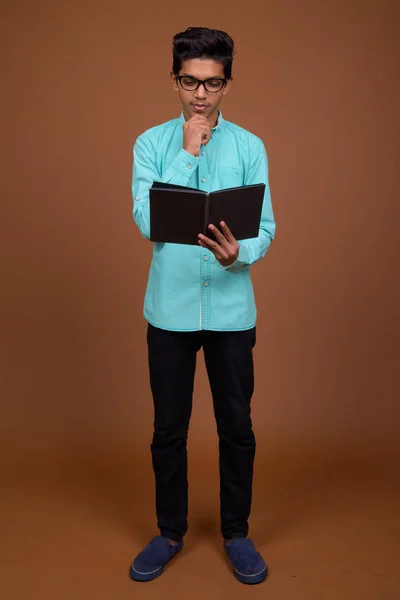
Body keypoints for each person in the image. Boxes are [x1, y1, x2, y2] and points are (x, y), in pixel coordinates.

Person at [129, 26, 276, 585]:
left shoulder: (251, 147)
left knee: (236, 426)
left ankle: (237, 534)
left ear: (226, 86)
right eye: (190, 81)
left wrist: (242, 252)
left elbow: (266, 228)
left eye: (212, 84)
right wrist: (187, 155)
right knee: (169, 428)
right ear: (175, 80)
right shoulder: (150, 144)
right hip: (169, 311)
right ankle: (170, 531)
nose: (200, 95)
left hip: (232, 312)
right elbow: (148, 222)